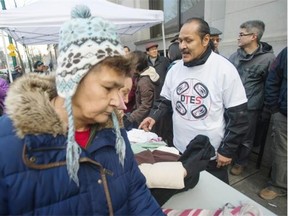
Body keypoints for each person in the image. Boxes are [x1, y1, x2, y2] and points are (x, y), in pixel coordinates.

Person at [0, 5, 164, 215]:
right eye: (108, 87)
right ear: (72, 80)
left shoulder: (115, 132)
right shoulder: (8, 142)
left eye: (120, 89)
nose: (118, 102)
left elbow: (138, 196)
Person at [139, 17, 248, 184]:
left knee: (213, 197)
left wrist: (227, 150)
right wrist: (153, 116)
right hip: (179, 149)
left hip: (210, 154)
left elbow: (239, 116)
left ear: (206, 40)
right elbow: (165, 100)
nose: (182, 46)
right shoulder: (175, 69)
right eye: (180, 40)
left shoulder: (225, 69)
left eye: (188, 40)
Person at [229, 20, 275, 176]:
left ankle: (241, 162)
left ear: (253, 36)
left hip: (251, 108)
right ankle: (228, 156)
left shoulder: (268, 59)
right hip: (230, 105)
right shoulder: (234, 56)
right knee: (229, 131)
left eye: (242, 34)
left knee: (246, 138)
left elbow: (270, 85)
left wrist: (267, 110)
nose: (238, 38)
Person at [259, 47, 287, 200]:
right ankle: (279, 185)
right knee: (281, 152)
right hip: (284, 114)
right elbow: (273, 79)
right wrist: (275, 108)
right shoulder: (286, 53)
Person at [123, 51, 160, 130]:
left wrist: (130, 119)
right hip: (147, 118)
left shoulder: (144, 82)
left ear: (136, 65)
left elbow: (145, 106)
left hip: (147, 122)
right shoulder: (142, 76)